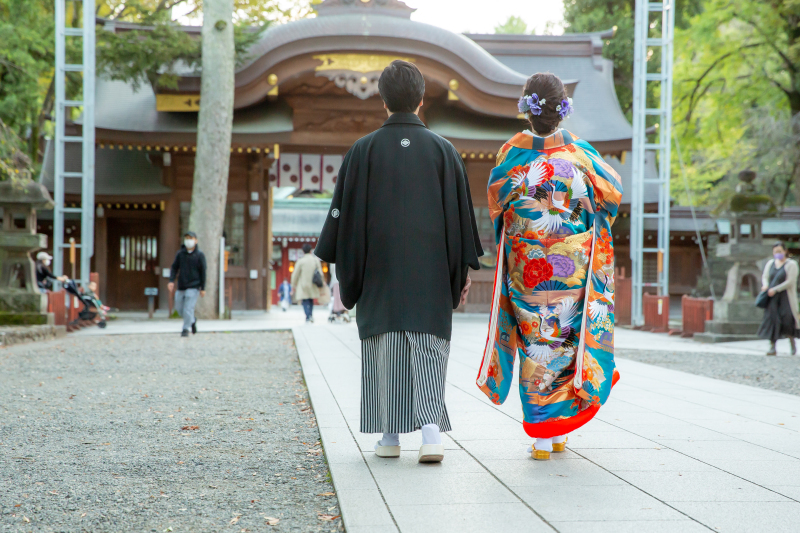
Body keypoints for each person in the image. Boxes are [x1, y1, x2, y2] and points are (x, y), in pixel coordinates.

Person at [316, 60, 482, 464]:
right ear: (422, 100)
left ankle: (389, 438)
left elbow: (346, 220)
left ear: (383, 101)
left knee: (385, 350)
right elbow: (460, 225)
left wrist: (347, 275)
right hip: (430, 276)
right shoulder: (445, 152)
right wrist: (458, 274)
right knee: (427, 350)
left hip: (379, 275)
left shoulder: (363, 151)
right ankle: (431, 436)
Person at [476, 72, 623, 460]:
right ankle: (555, 431)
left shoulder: (511, 154)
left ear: (527, 108)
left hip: (528, 271)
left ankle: (544, 435)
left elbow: (496, 203)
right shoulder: (581, 154)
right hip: (571, 270)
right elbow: (612, 195)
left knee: (536, 344)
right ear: (563, 110)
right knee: (563, 343)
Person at [758, 241, 799, 356]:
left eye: (780, 251)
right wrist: (765, 285)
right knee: (772, 320)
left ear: (785, 251)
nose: (778, 254)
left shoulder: (791, 264)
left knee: (787, 320)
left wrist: (776, 289)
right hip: (772, 297)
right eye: (775, 252)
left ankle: (792, 342)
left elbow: (790, 281)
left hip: (786, 297)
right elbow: (765, 276)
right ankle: (772, 347)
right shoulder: (770, 263)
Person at [168, 231, 206, 337]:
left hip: (194, 286)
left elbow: (203, 272)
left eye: (191, 238)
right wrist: (171, 281)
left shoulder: (199, 255)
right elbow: (174, 267)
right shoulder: (180, 254)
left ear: (196, 240)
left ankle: (185, 329)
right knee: (179, 309)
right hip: (181, 285)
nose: (189, 241)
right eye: (187, 238)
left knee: (188, 308)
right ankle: (192, 320)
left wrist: (203, 287)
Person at [291, 243, 323, 323]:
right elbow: (320, 273)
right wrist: (322, 282)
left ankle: (308, 316)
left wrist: (293, 284)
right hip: (313, 283)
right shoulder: (315, 260)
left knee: (305, 300)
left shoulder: (301, 261)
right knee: (311, 299)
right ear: (310, 250)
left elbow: (295, 274)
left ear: (303, 251)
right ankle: (310, 315)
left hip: (303, 284)